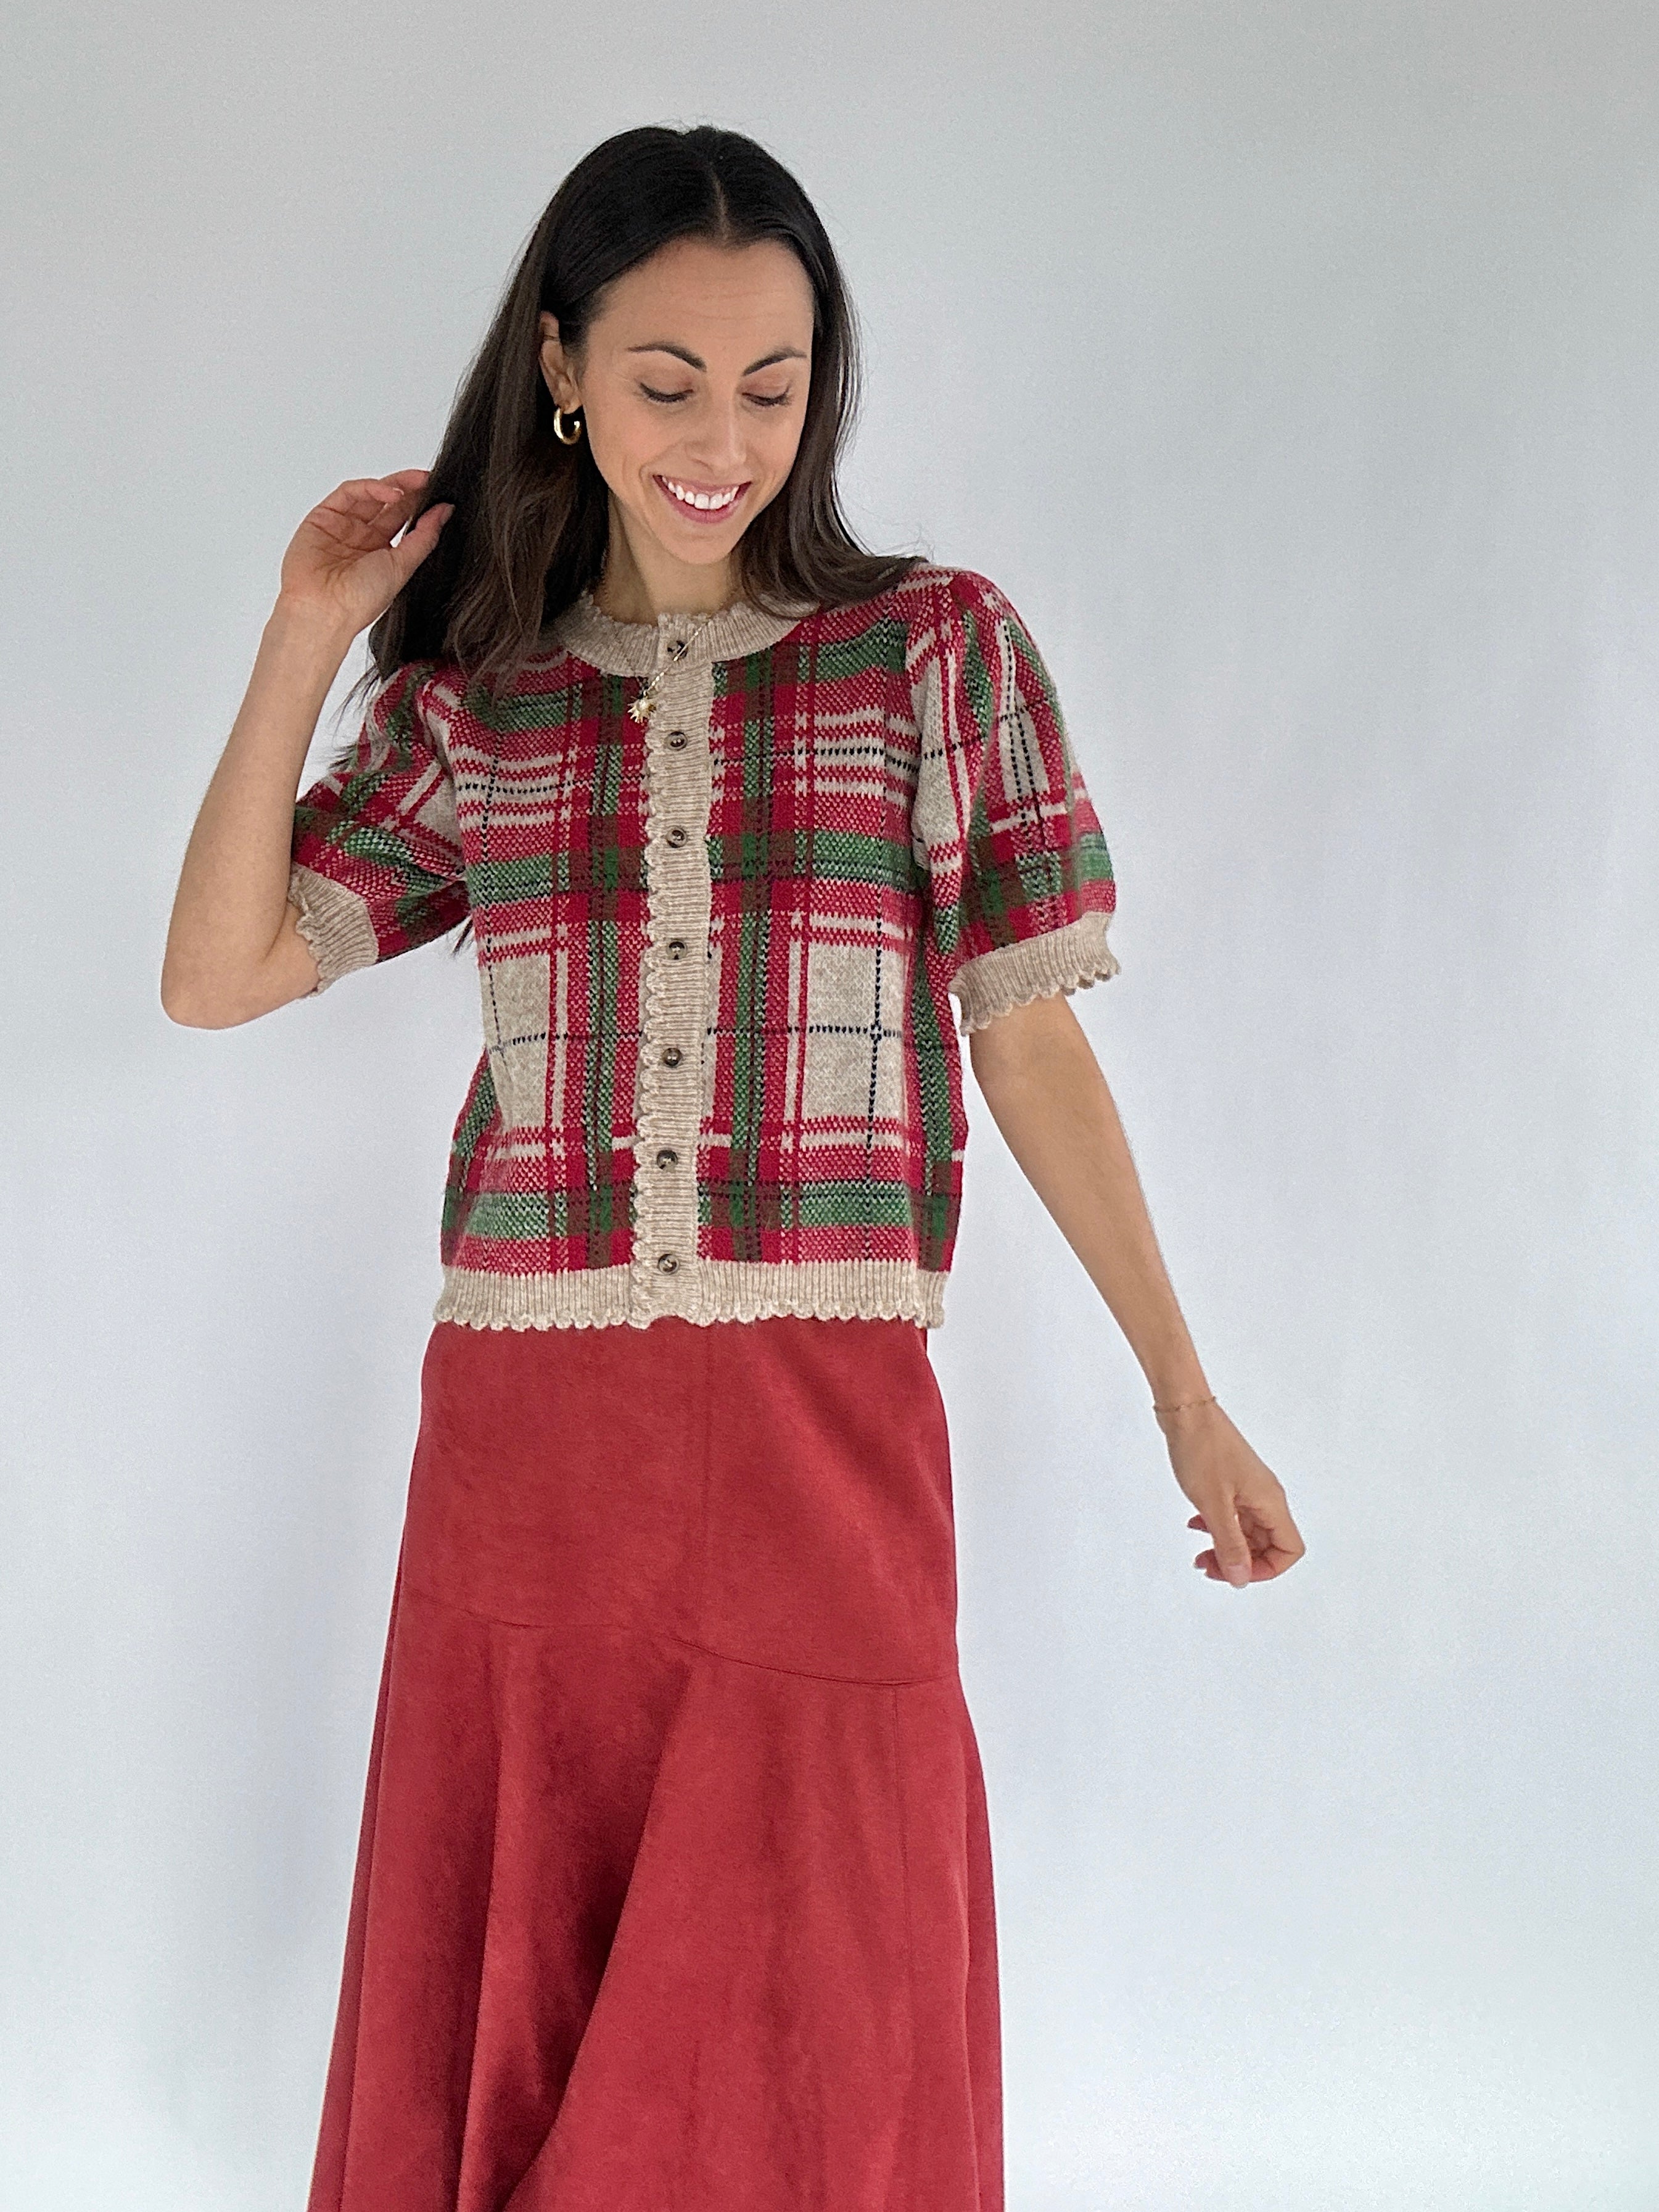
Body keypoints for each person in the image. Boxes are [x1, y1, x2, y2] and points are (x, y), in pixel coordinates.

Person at [162, 121, 1304, 2212]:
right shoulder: (482, 702)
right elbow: (218, 972)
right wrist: (304, 636)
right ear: (563, 366)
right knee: (524, 1979)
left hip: (823, 1428)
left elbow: (1025, 1035)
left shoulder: (934, 650)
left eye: (772, 386)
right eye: (669, 380)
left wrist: (1184, 1389)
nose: (722, 437)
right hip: (532, 1443)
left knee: (829, 1989)